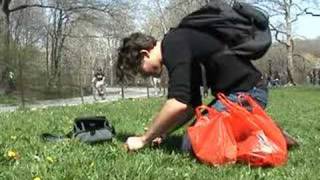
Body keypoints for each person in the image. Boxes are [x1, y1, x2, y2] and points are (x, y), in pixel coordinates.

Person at [117, 16, 297, 152]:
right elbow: (190, 105)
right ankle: (251, 127)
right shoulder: (177, 43)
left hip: (247, 93)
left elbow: (177, 102)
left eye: (139, 69)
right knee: (192, 139)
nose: (143, 74)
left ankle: (263, 134)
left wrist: (144, 139)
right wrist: (164, 132)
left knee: (195, 144)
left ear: (144, 54)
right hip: (235, 95)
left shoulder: (173, 44)